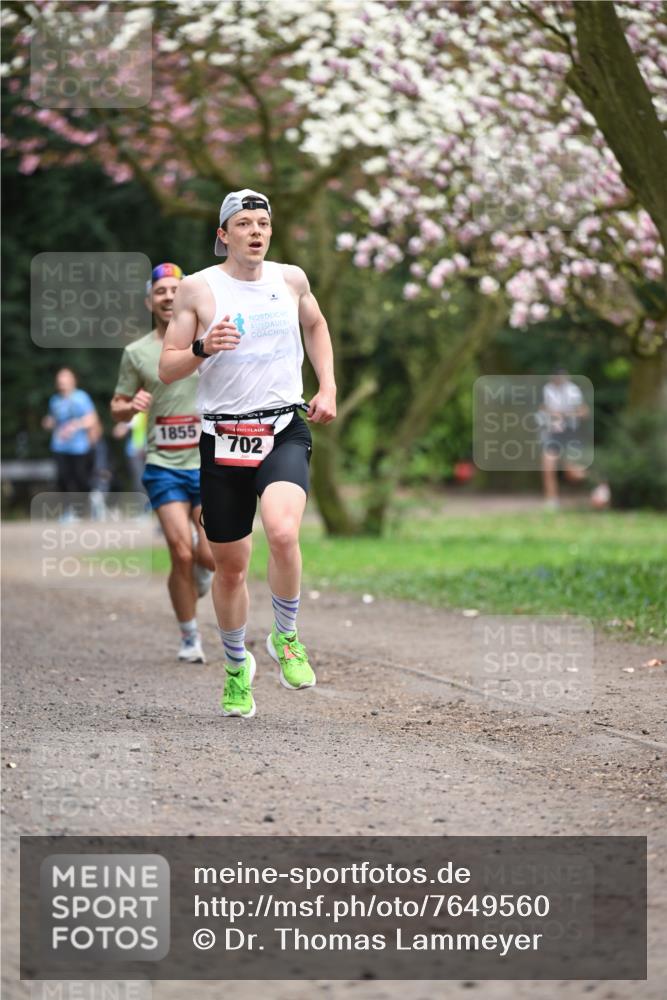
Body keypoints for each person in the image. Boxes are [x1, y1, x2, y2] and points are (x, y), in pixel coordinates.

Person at [158, 189, 336, 719]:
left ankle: (286, 637)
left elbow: (316, 325)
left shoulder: (291, 279)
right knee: (231, 568)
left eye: (263, 223)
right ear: (223, 234)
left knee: (282, 531)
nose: (256, 231)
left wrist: (327, 386)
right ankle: (237, 667)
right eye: (243, 223)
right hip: (222, 438)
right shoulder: (197, 289)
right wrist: (202, 348)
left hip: (283, 427)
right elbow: (167, 367)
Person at [111, 262, 215, 664]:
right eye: (161, 291)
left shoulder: (209, 341)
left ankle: (203, 570)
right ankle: (189, 636)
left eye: (175, 289)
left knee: (209, 556)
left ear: (186, 294)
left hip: (209, 463)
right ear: (149, 302)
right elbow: (117, 406)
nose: (168, 296)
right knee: (180, 552)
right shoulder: (137, 353)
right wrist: (129, 406)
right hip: (164, 465)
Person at [42, 367, 97, 519]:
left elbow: (92, 419)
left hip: (79, 447)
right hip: (60, 446)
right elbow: (53, 420)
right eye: (60, 379)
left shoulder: (81, 397)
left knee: (81, 479)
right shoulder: (55, 400)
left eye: (65, 378)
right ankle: (68, 511)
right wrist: (48, 422)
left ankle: (89, 504)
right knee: (62, 478)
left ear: (73, 380)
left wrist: (76, 425)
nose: (62, 382)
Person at [539, 368, 590, 510]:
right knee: (547, 467)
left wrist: (566, 414)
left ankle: (599, 482)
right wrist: (552, 414)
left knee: (572, 474)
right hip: (553, 433)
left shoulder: (573, 390)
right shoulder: (548, 389)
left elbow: (584, 412)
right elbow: (542, 408)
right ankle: (551, 501)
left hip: (569, 434)